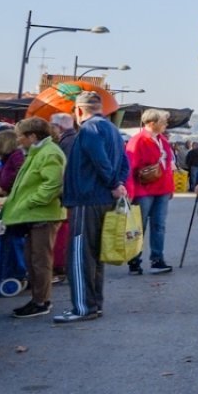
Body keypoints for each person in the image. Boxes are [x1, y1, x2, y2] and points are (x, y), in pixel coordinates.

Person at [55, 89, 128, 324]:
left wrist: (113, 182)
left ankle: (83, 307)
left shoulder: (89, 129)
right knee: (95, 255)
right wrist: (118, 184)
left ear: (78, 110)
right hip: (103, 198)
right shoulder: (112, 130)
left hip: (87, 199)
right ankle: (93, 304)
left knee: (80, 253)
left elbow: (100, 160)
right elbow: (124, 162)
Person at [0, 117, 65, 319]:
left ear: (33, 136)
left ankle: (41, 302)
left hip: (44, 214)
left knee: (40, 261)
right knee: (33, 259)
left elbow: (53, 185)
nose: (18, 140)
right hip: (36, 214)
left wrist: (30, 202)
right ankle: (38, 300)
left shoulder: (49, 153)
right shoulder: (37, 151)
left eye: (20, 136)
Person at [124, 109, 176, 274]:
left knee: (159, 225)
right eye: (163, 122)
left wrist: (171, 188)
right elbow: (129, 167)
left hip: (162, 189)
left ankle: (157, 259)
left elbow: (168, 166)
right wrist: (130, 190)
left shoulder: (162, 140)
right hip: (143, 190)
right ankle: (134, 259)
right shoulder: (137, 141)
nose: (166, 125)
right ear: (152, 123)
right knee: (141, 226)